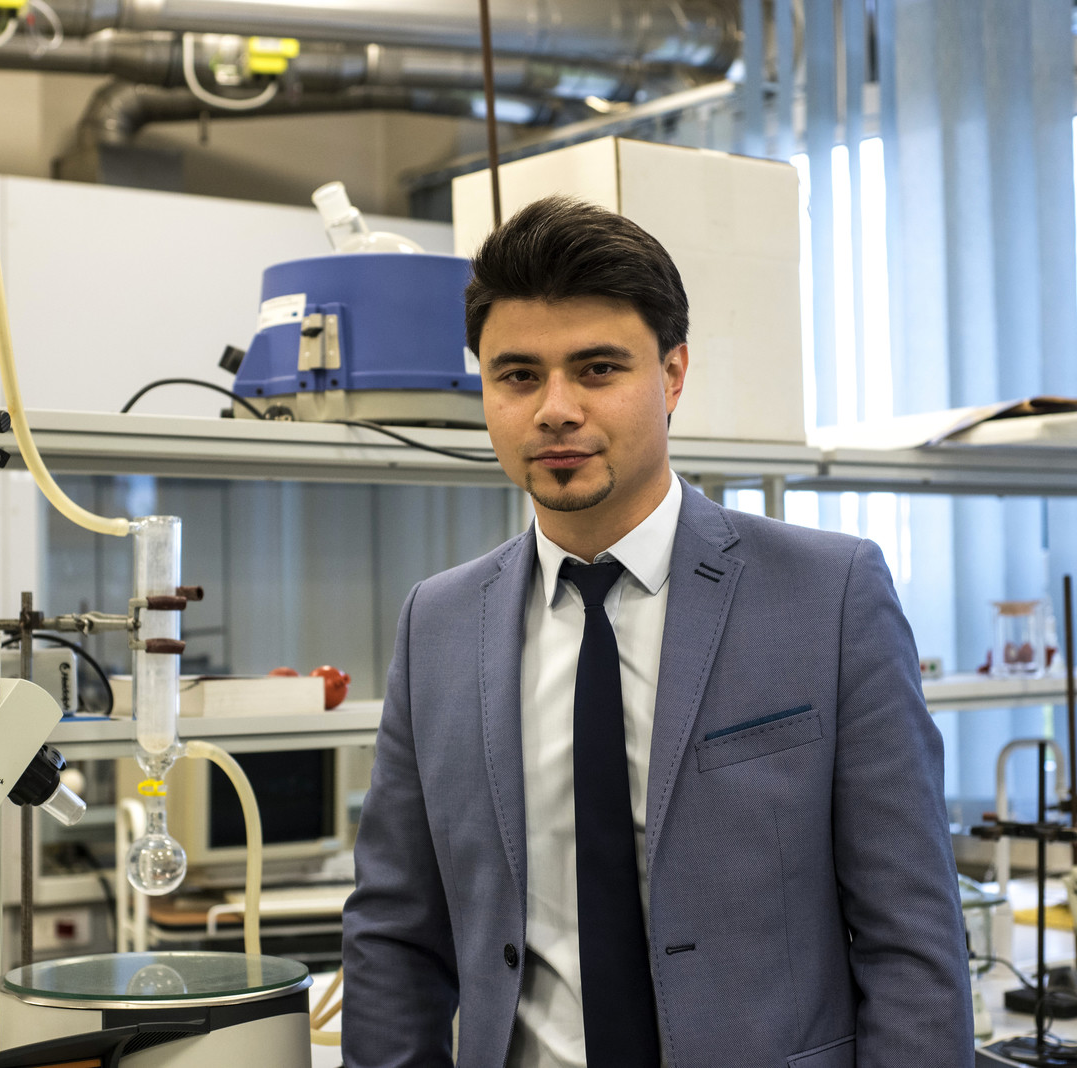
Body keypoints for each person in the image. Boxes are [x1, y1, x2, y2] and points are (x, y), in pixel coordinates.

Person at [341, 195, 972, 1068]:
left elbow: (912, 935)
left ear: (672, 376)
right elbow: (394, 933)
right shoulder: (439, 624)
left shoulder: (828, 597)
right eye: (517, 375)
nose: (555, 409)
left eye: (598, 369)